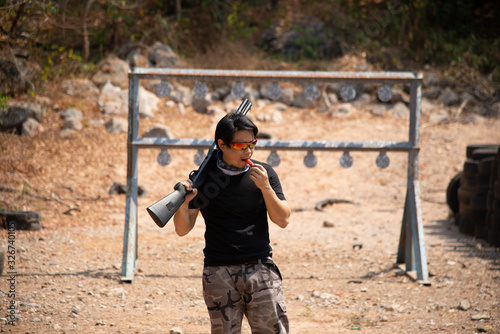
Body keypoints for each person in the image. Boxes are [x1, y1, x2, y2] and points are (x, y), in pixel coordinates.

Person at [173, 111, 291, 334]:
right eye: (240, 146)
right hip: (218, 271)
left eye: (252, 144)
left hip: (260, 268)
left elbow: (283, 219)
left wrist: (265, 188)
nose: (248, 151)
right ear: (222, 145)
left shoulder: (264, 173)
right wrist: (182, 202)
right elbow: (182, 229)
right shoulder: (204, 178)